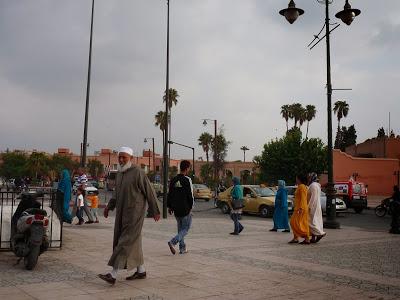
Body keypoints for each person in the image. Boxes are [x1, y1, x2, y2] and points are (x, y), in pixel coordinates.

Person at [99, 146, 160, 285]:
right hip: (122, 213)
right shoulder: (120, 173)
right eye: (119, 157)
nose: (121, 159)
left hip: (135, 214)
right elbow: (116, 194)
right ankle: (141, 271)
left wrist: (155, 210)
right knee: (133, 241)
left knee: (125, 241)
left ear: (131, 158)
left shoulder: (138, 172)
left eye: (124, 157)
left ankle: (113, 274)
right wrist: (109, 207)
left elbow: (150, 191)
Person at [167, 160, 194, 255]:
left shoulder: (173, 180)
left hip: (176, 209)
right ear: (187, 168)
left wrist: (169, 207)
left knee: (180, 229)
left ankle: (182, 248)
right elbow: (189, 195)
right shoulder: (187, 180)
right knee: (185, 229)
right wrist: (191, 206)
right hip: (185, 208)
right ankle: (173, 242)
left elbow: (170, 194)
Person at [289, 174, 310, 244]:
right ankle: (295, 238)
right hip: (298, 207)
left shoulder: (302, 187)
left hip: (301, 208)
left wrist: (301, 208)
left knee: (300, 223)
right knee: (293, 222)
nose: (296, 180)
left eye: (296, 178)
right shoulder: (300, 187)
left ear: (299, 179)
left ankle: (306, 237)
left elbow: (303, 198)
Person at [307, 173, 326, 243]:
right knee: (315, 221)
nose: (308, 179)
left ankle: (320, 233)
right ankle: (313, 237)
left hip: (313, 206)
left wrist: (309, 207)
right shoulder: (317, 185)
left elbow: (313, 198)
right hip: (317, 206)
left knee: (311, 222)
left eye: (309, 177)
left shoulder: (313, 186)